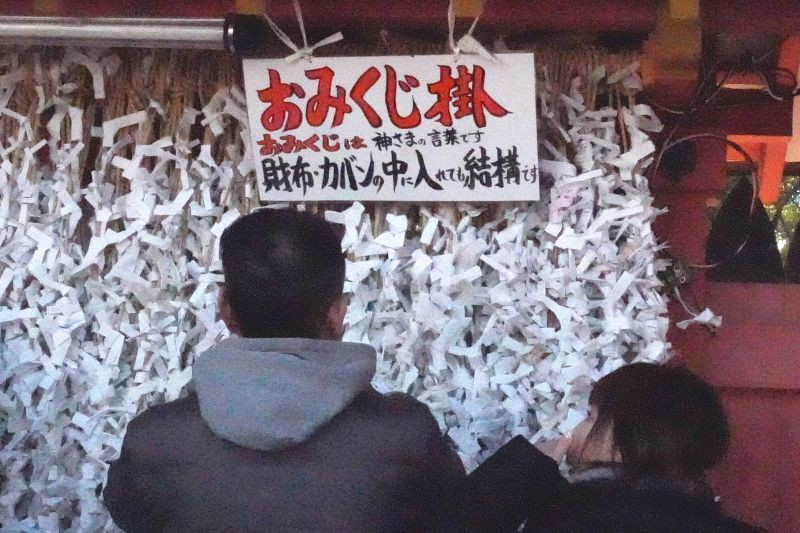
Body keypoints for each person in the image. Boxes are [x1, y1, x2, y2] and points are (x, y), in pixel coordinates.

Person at [103, 208, 465, 533]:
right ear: (337, 313)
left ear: (226, 309)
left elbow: (130, 515)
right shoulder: (407, 436)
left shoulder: (152, 440)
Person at [456, 363, 764, 532]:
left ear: (631, 437)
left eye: (590, 417)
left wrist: (517, 475)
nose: (576, 430)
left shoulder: (570, 522)